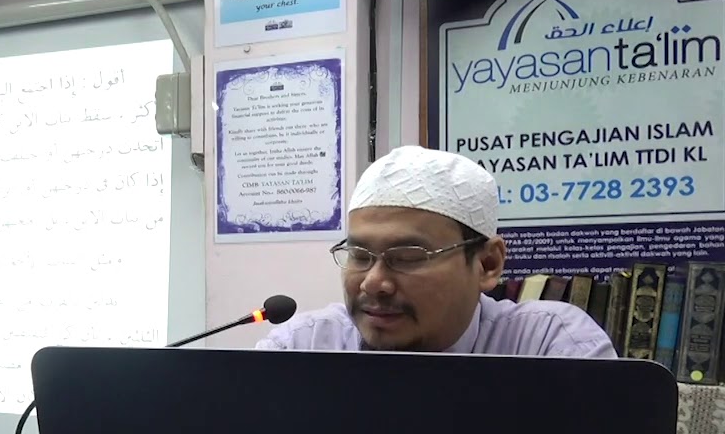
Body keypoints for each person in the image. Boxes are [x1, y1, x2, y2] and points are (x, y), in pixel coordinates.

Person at [257, 146, 617, 358]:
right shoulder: (303, 347)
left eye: (407, 257)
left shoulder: (550, 347)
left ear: (487, 264)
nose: (373, 283)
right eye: (360, 256)